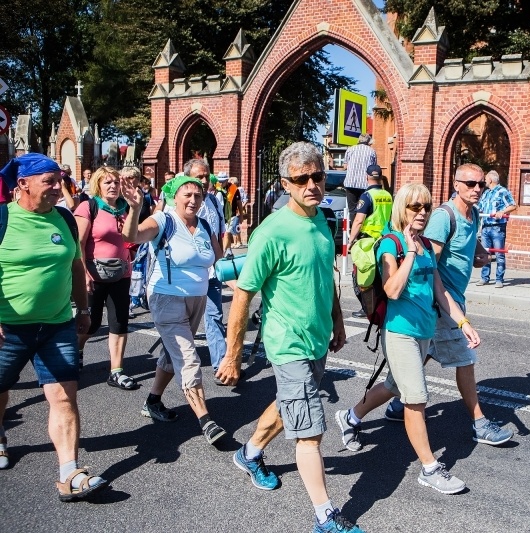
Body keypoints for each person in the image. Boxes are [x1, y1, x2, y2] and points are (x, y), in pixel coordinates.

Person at [215, 142, 365, 533]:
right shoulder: (272, 232)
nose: (313, 185)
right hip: (288, 343)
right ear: (286, 184)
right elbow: (243, 294)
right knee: (311, 431)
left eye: (318, 176)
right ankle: (325, 517)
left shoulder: (322, 221)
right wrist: (232, 356)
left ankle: (249, 454)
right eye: (302, 179)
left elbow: (326, 278)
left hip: (316, 339)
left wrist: (338, 321)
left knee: (288, 406)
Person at [334, 183, 480, 494]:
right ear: (402, 208)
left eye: (427, 207)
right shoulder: (392, 244)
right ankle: (429, 468)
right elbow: (392, 290)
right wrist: (411, 253)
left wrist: (463, 322)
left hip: (424, 331)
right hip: (400, 333)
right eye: (416, 207)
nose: (423, 213)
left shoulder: (427, 245)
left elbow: (440, 292)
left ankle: (350, 416)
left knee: (393, 386)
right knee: (416, 398)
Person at [0, 153, 108, 499]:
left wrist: (83, 309)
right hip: (9, 328)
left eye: (59, 180)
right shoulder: (3, 218)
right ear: (23, 184)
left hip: (58, 325)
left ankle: (69, 473)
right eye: (49, 182)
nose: (58, 189)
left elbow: (76, 265)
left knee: (64, 397)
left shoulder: (63, 217)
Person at [382, 164, 512, 445]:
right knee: (465, 359)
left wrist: (480, 254)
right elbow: (431, 263)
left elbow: (471, 242)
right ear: (456, 184)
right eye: (470, 183)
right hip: (443, 303)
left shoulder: (474, 213)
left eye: (481, 184)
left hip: (451, 301)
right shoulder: (443, 216)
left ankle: (362, 413)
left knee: (414, 363)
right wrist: (442, 304)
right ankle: (479, 423)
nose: (476, 189)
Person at [126, 174, 227, 445]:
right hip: (167, 297)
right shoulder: (164, 220)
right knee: (188, 358)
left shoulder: (204, 224)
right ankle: (206, 420)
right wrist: (135, 209)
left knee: (174, 355)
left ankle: (153, 401)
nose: (194, 200)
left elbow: (216, 256)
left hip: (197, 298)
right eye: (188, 195)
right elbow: (133, 236)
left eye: (198, 195)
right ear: (175, 196)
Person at [73, 167, 138, 387]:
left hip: (121, 273)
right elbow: (78, 244)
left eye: (116, 182)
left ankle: (116, 371)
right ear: (98, 185)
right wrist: (83, 275)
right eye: (107, 182)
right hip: (94, 274)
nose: (112, 186)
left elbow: (132, 237)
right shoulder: (88, 206)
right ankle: (77, 349)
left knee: (119, 322)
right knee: (91, 324)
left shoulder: (125, 208)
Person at [185, 160, 229, 381]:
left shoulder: (214, 200)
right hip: (189, 274)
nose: (204, 181)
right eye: (198, 177)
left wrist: (222, 266)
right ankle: (173, 362)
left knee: (214, 316)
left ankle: (220, 366)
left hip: (212, 272)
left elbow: (219, 235)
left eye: (206, 176)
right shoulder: (182, 205)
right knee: (185, 321)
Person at [348, 163, 393, 318]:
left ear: (367, 177)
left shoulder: (367, 196)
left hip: (368, 242)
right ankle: (381, 306)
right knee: (380, 276)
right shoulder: (388, 195)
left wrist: (351, 240)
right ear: (380, 177)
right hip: (385, 239)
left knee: (361, 275)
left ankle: (367, 308)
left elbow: (359, 221)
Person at [476, 170, 517, 288]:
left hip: (497, 227)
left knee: (499, 254)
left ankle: (499, 279)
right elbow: (480, 207)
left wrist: (502, 211)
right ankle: (484, 278)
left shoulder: (502, 191)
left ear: (491, 179)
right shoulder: (486, 193)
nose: (484, 181)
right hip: (485, 226)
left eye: (486, 179)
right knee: (485, 253)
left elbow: (513, 205)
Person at [343, 133, 377, 221]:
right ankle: (362, 231)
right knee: (364, 209)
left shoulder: (350, 149)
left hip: (350, 183)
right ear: (368, 141)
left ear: (359, 140)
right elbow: (373, 169)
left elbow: (345, 167)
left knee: (352, 209)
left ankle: (353, 229)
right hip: (365, 185)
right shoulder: (372, 151)